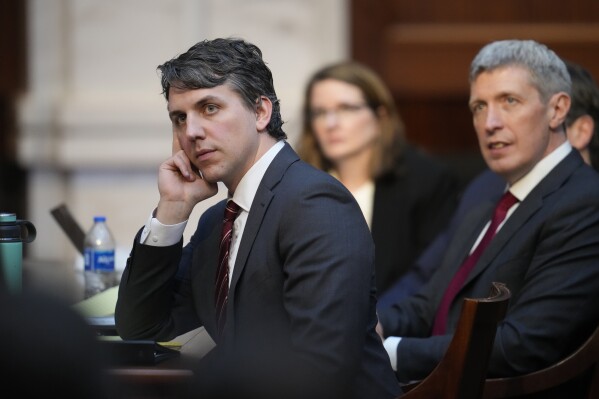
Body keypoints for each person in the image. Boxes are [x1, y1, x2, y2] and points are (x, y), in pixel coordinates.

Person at [114, 38, 400, 399]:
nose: (191, 132)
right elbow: (140, 325)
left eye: (210, 108)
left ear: (261, 112)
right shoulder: (216, 220)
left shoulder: (313, 202)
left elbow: (321, 367)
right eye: (179, 118)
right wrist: (173, 208)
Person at [377, 39, 599, 396]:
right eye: (479, 107)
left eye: (509, 101)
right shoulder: (487, 198)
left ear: (557, 110)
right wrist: (367, 326)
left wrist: (391, 352)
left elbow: (524, 344)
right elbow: (430, 304)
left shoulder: (585, 203)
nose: (489, 123)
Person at [296, 61, 460, 296]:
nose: (330, 124)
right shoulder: (297, 184)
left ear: (380, 116)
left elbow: (430, 277)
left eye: (346, 109)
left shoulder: (427, 181)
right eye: (320, 113)